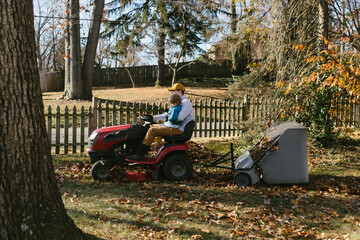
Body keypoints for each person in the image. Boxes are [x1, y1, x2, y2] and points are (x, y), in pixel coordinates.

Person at [127, 83, 194, 161]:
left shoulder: (185, 103)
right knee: (149, 126)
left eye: (173, 91)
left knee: (152, 130)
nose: (172, 93)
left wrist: (167, 116)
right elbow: (168, 114)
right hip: (173, 126)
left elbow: (179, 118)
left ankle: (140, 154)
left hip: (178, 129)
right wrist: (153, 117)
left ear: (179, 92)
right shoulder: (178, 102)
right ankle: (137, 150)